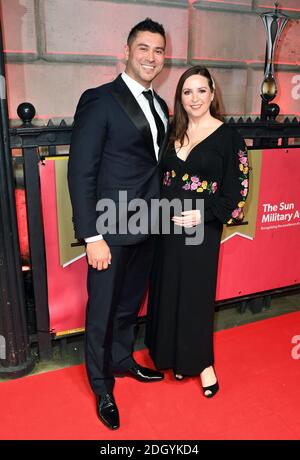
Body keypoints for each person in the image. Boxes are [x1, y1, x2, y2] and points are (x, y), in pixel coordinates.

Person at [68, 18, 169, 430]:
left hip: (149, 222)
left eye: (159, 50)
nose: (151, 56)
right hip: (109, 228)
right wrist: (92, 234)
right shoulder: (100, 99)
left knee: (129, 303)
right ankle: (101, 383)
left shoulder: (160, 105)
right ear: (126, 52)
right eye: (143, 48)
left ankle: (123, 359)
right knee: (103, 311)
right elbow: (81, 172)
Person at [146, 66, 248, 397]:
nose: (194, 98)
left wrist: (201, 214)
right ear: (180, 98)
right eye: (187, 92)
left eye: (201, 90)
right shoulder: (171, 134)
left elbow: (237, 194)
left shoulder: (229, 137)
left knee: (195, 296)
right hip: (166, 230)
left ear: (213, 93)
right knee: (168, 290)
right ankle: (175, 359)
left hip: (201, 231)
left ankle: (202, 364)